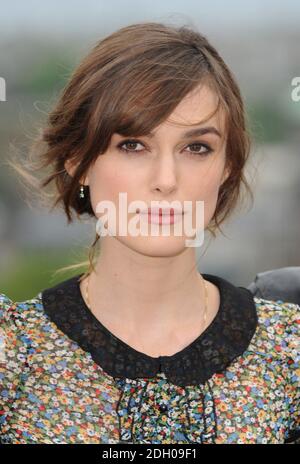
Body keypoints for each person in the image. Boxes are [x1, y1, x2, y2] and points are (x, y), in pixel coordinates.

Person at [0, 22, 299, 445]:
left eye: (196, 147)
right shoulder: (13, 354)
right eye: (132, 145)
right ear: (78, 160)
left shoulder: (289, 351)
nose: (166, 179)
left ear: (228, 165)